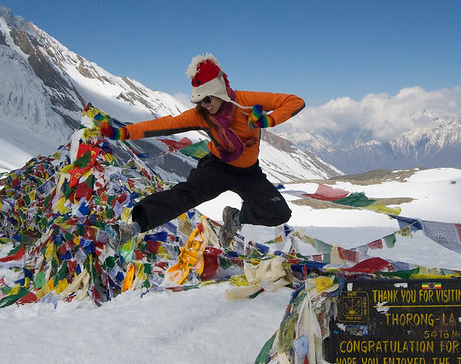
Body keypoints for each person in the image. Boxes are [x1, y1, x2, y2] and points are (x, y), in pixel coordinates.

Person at [97, 53, 305, 248]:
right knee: (185, 195)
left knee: (279, 213)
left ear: (220, 92)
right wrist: (122, 133)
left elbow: (295, 101)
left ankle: (235, 219)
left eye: (207, 99)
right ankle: (131, 228)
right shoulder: (201, 114)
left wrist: (269, 120)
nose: (204, 105)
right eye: (199, 100)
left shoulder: (246, 102)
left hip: (249, 172)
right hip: (217, 166)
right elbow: (165, 124)